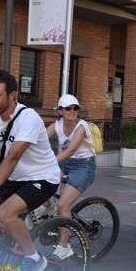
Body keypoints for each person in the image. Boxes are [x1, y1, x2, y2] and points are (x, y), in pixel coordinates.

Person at [0, 70, 60, 271]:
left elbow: (13, 156)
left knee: (6, 213)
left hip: (42, 177)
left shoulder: (28, 117)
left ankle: (34, 258)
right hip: (14, 179)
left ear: (12, 95)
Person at [46, 94, 96, 260]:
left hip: (84, 165)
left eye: (75, 108)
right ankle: (50, 211)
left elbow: (70, 150)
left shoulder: (81, 127)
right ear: (60, 111)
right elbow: (40, 140)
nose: (72, 111)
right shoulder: (57, 125)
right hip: (64, 162)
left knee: (63, 205)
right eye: (68, 108)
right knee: (37, 186)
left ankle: (64, 246)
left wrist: (51, 163)